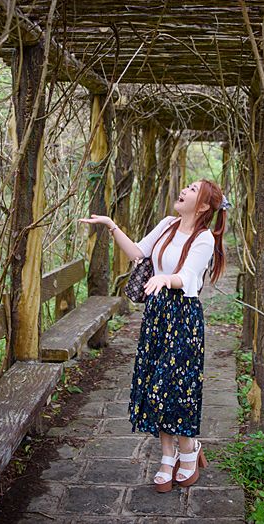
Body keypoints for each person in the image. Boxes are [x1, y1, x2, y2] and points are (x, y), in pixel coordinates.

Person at [80, 178, 227, 492]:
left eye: (192, 189)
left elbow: (187, 277)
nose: (184, 190)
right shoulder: (167, 225)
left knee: (177, 385)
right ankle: (166, 455)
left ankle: (188, 449)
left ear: (202, 205)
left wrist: (164, 280)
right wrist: (111, 225)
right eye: (185, 186)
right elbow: (138, 252)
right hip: (157, 315)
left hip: (184, 318)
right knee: (154, 383)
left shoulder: (204, 240)